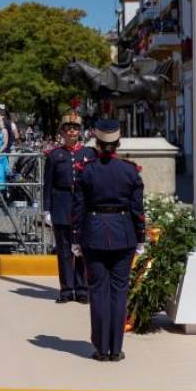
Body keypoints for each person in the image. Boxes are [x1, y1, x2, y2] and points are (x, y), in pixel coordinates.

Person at [72, 118, 145, 362]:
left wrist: (75, 238)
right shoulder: (130, 170)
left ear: (97, 142)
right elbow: (137, 209)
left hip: (93, 234)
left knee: (99, 292)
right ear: (117, 143)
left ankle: (102, 349)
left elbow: (78, 208)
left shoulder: (86, 170)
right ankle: (116, 349)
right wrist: (141, 239)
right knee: (119, 291)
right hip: (124, 234)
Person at [43, 111, 94, 304]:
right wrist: (47, 209)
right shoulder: (55, 155)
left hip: (82, 205)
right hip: (61, 204)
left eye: (75, 129)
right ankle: (66, 289)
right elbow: (48, 184)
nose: (72, 132)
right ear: (62, 132)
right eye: (68, 129)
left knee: (81, 249)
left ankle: (81, 289)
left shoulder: (89, 154)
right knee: (64, 250)